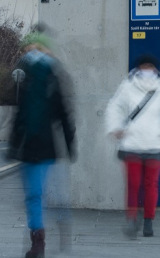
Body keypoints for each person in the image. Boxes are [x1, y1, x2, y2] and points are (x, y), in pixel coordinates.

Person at [8, 31, 76, 258]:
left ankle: (41, 240)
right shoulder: (23, 76)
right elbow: (19, 114)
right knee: (32, 195)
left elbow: (63, 114)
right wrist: (13, 144)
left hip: (46, 146)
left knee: (40, 193)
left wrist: (69, 142)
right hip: (27, 146)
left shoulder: (53, 75)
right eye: (28, 50)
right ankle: (37, 235)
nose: (31, 53)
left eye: (36, 48)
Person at [105, 54, 160, 238]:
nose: (147, 70)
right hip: (132, 144)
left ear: (155, 69)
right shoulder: (127, 86)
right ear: (138, 68)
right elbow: (114, 106)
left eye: (150, 67)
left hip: (155, 143)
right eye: (144, 66)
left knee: (151, 185)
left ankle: (148, 221)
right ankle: (132, 219)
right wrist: (115, 127)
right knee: (133, 184)